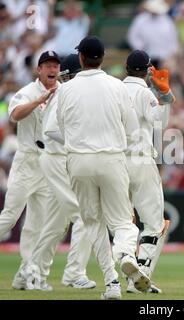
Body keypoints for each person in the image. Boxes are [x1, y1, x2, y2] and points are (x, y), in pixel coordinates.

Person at [57, 36, 150, 299]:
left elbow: (59, 129)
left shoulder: (65, 89)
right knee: (123, 221)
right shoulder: (116, 86)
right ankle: (124, 255)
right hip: (111, 158)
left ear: (82, 58)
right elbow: (132, 130)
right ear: (103, 57)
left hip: (78, 160)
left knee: (93, 223)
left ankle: (111, 283)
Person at [24, 54, 96, 290]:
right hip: (56, 160)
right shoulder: (65, 93)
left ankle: (32, 273)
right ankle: (74, 273)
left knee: (56, 224)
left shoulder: (68, 92)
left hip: (60, 160)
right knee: (84, 216)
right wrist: (78, 137)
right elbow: (51, 130)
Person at [0, 51, 58, 290]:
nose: (52, 69)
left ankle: (27, 273)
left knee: (37, 223)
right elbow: (13, 116)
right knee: (10, 216)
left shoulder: (62, 92)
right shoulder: (26, 92)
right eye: (47, 66)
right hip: (26, 161)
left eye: (55, 65)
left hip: (47, 163)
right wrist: (38, 101)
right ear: (39, 70)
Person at [123, 50, 174, 294]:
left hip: (115, 163)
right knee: (154, 224)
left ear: (125, 67)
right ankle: (140, 274)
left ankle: (123, 271)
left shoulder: (114, 89)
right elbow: (159, 123)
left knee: (123, 223)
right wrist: (164, 93)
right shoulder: (145, 92)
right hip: (140, 161)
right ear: (149, 69)